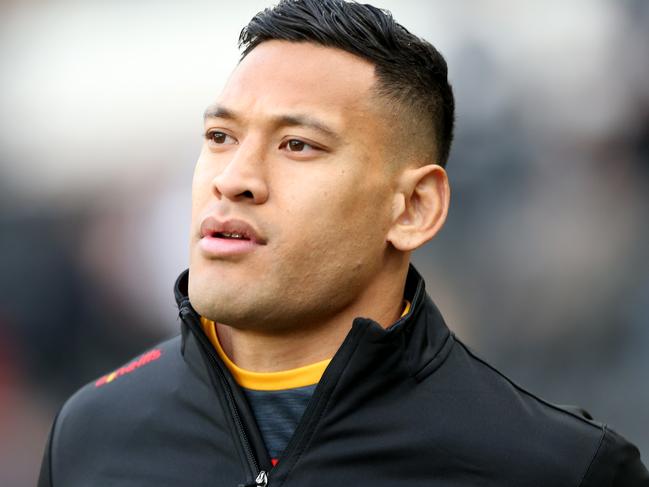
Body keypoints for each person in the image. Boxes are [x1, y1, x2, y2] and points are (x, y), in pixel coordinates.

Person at [38, 1, 648, 485]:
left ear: (413, 208)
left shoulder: (555, 468)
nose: (234, 179)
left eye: (298, 144)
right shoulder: (91, 435)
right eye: (220, 136)